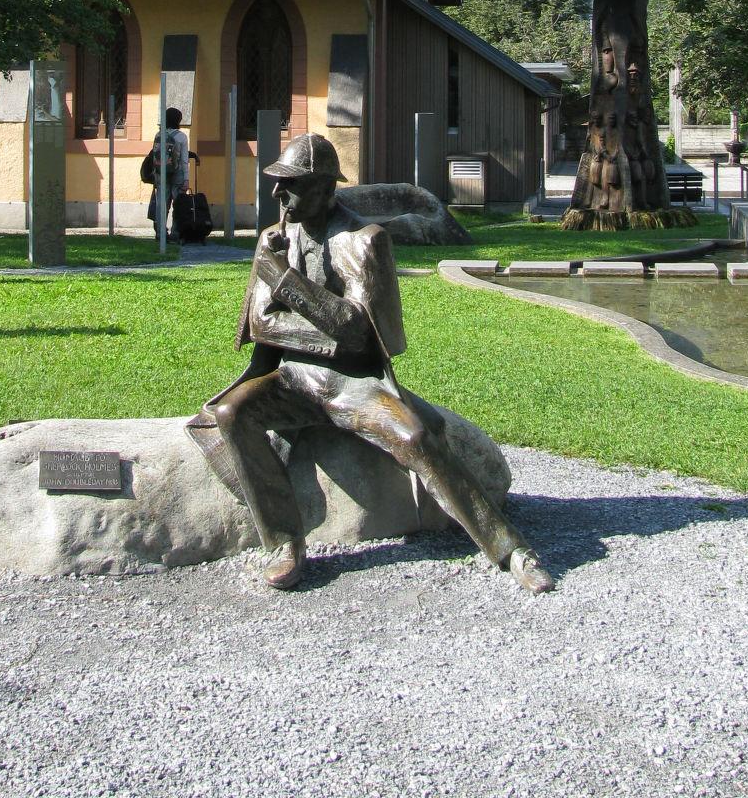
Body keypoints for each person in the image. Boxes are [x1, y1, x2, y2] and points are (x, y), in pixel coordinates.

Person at [187, 133, 553, 595]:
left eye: (291, 184)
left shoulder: (365, 240)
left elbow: (360, 332)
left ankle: (512, 549)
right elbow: (261, 326)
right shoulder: (273, 241)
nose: (278, 195)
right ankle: (283, 543)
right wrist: (324, 323)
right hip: (292, 378)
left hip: (353, 383)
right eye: (278, 184)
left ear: (324, 188)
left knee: (417, 435)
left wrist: (286, 283)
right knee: (231, 413)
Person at [150, 107, 191, 242]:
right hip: (177, 173)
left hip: (161, 174)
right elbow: (184, 160)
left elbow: (155, 156)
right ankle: (175, 232)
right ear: (178, 120)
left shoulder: (158, 135)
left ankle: (160, 233)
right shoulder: (181, 137)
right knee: (178, 205)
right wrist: (186, 179)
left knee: (162, 204)